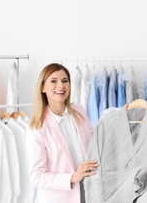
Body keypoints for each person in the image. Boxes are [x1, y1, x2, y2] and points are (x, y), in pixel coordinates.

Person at [26, 63, 99, 203]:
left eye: (65, 81)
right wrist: (72, 177)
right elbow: (37, 176)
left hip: (89, 193)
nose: (61, 86)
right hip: (61, 198)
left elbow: (96, 140)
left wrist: (118, 118)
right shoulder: (37, 128)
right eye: (54, 81)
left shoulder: (79, 111)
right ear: (43, 87)